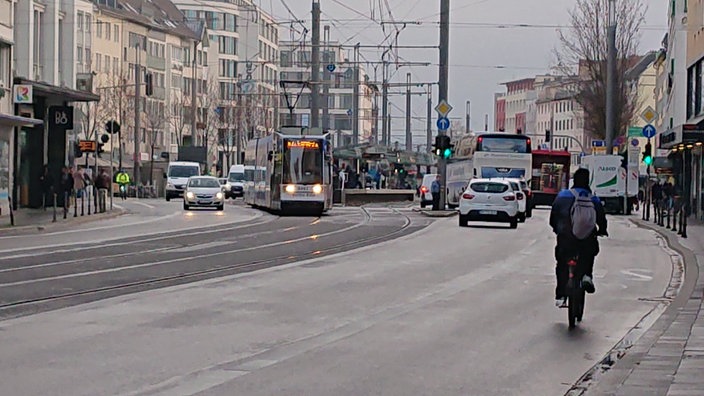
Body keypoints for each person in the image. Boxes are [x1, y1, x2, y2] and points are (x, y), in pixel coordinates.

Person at [549, 168, 608, 308]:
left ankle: (561, 295)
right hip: (586, 241)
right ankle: (587, 275)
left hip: (566, 240)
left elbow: (553, 217)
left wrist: (558, 230)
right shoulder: (592, 198)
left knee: (562, 264)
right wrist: (603, 230)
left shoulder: (563, 195)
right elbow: (601, 219)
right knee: (590, 253)